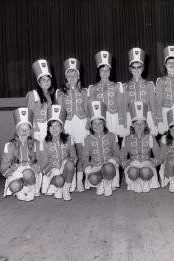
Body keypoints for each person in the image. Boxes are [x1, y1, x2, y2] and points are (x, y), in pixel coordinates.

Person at [56, 58, 89, 192]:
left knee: (81, 153)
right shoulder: (60, 92)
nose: (72, 78)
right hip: (68, 124)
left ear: (78, 76)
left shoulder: (85, 91)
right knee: (69, 153)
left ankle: (80, 181)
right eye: (69, 75)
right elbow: (60, 112)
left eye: (74, 75)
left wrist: (88, 122)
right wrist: (61, 127)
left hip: (81, 123)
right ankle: (71, 180)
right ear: (65, 77)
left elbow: (88, 109)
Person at [0, 108, 41, 201]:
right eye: (21, 130)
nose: (24, 132)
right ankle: (20, 190)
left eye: (26, 130)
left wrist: (35, 168)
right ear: (17, 131)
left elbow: (40, 161)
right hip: (16, 172)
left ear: (30, 132)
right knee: (14, 186)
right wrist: (11, 175)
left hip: (31, 172)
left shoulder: (36, 144)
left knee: (27, 172)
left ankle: (31, 189)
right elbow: (3, 167)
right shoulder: (9, 145)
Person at [120, 101, 161, 193]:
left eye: (142, 123)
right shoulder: (127, 139)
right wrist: (128, 162)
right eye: (136, 124)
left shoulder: (150, 137)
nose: (139, 126)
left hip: (147, 163)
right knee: (133, 171)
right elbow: (121, 156)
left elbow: (159, 155)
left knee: (145, 171)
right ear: (132, 125)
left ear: (145, 125)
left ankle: (146, 181)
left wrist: (153, 161)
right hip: (133, 163)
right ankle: (136, 182)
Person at [81, 101, 120, 197]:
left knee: (108, 166)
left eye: (100, 123)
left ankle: (108, 183)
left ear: (104, 124)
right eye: (94, 124)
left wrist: (113, 160)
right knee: (93, 178)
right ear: (91, 125)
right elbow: (84, 157)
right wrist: (87, 166)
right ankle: (100, 183)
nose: (97, 126)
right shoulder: (87, 139)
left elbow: (117, 153)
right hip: (96, 166)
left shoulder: (111, 136)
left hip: (109, 165)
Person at [40, 105, 78, 200]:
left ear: (61, 128)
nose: (54, 128)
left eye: (57, 125)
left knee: (69, 164)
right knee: (59, 179)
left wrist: (67, 162)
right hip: (53, 171)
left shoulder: (69, 139)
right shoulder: (45, 142)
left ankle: (66, 189)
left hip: (66, 170)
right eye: (51, 126)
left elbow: (74, 157)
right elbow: (43, 162)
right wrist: (51, 171)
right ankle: (57, 186)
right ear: (48, 129)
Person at [120, 48, 158, 137]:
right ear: (130, 69)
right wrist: (124, 123)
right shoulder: (125, 86)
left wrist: (155, 122)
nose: (136, 70)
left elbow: (153, 105)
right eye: (134, 67)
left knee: (148, 141)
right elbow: (124, 107)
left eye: (139, 67)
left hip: (147, 115)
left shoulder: (149, 85)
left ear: (143, 68)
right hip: (131, 117)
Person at [87, 51, 124, 136]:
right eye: (102, 70)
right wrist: (90, 122)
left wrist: (121, 122)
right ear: (98, 72)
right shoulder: (93, 88)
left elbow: (120, 105)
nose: (105, 72)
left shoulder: (117, 86)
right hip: (100, 120)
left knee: (114, 142)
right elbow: (90, 108)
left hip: (114, 117)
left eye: (107, 70)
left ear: (110, 71)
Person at [27, 59, 54, 142]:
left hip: (48, 128)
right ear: (39, 82)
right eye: (43, 80)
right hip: (37, 127)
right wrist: (35, 129)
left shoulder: (51, 95)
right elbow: (30, 113)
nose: (46, 82)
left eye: (48, 80)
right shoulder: (32, 94)